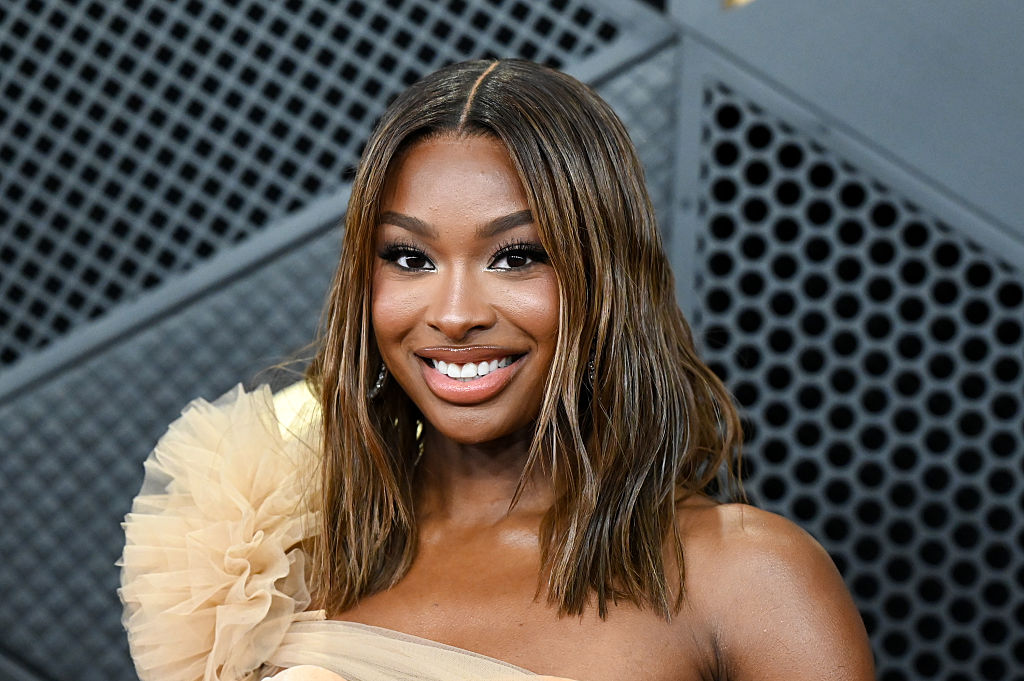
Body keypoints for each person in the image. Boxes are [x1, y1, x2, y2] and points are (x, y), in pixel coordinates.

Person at [119, 59, 875, 681]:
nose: (454, 314)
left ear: (605, 279)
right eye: (409, 257)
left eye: (517, 257)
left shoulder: (747, 577)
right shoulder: (284, 562)